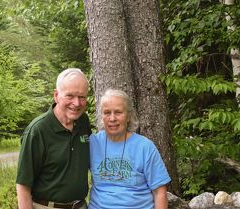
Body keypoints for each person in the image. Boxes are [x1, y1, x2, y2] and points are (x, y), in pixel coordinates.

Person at [16, 68, 91, 209]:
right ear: (56, 95)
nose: (77, 103)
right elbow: (23, 186)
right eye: (70, 96)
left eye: (82, 97)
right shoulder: (37, 131)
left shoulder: (83, 122)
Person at [89, 89, 171, 209]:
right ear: (102, 116)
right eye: (107, 112)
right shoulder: (92, 143)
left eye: (118, 112)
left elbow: (159, 192)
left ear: (128, 116)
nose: (112, 118)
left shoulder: (144, 147)